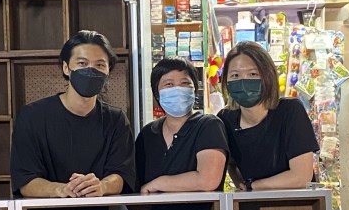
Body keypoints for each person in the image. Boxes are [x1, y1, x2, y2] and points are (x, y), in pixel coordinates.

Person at [10, 30, 135, 198]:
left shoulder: (116, 120)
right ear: (66, 67)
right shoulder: (32, 117)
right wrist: (60, 189)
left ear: (108, 71)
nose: (91, 71)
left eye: (99, 65)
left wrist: (102, 186)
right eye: (82, 63)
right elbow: (25, 180)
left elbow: (122, 174)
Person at [218, 42, 319, 191]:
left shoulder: (290, 111)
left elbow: (301, 176)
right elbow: (231, 164)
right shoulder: (225, 119)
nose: (243, 81)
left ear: (268, 77)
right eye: (235, 75)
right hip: (250, 206)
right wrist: (243, 186)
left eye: (253, 74)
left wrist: (253, 186)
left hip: (297, 206)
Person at [135, 58, 228, 195]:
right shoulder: (148, 133)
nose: (177, 89)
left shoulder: (208, 125)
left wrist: (158, 183)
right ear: (157, 93)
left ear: (194, 89)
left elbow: (208, 180)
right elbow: (137, 182)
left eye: (184, 83)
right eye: (169, 84)